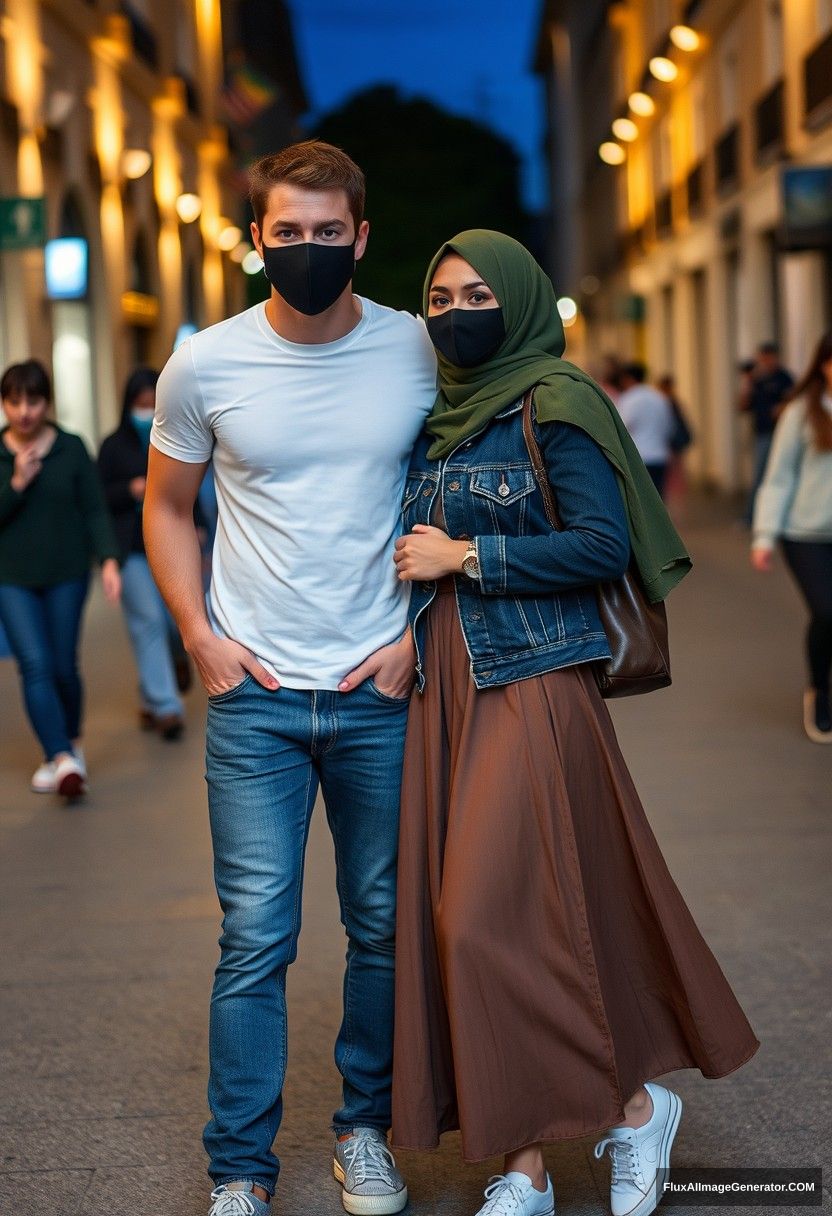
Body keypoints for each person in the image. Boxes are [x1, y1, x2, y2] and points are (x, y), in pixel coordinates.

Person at [390, 231, 761, 1216]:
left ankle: (634, 1106)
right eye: (439, 295)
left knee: (479, 921)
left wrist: (469, 556)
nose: (454, 311)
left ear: (516, 300)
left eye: (476, 293)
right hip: (442, 692)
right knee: (524, 915)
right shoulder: (436, 419)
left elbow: (601, 544)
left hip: (531, 684)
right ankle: (524, 1169)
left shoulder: (554, 400)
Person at [143, 140, 436, 1216]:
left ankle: (364, 1130)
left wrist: (419, 635)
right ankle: (240, 1172)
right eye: (286, 232)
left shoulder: (416, 350)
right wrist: (196, 634)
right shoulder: (204, 363)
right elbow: (166, 507)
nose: (306, 250)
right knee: (255, 933)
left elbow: (465, 486)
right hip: (254, 695)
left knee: (381, 922)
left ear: (360, 236)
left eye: (327, 233)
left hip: (378, 688)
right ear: (255, 237)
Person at [0, 359, 121, 798]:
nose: (24, 411)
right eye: (14, 402)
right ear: (4, 404)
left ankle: (70, 742)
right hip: (11, 578)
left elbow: (93, 509)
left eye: (33, 400)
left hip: (67, 573)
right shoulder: (0, 453)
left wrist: (108, 559)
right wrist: (16, 483)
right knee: (35, 664)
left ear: (47, 402)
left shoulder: (70, 448)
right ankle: (60, 756)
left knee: (64, 666)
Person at [98, 368, 190, 740]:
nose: (146, 407)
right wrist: (130, 490)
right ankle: (166, 706)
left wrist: (198, 528)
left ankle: (160, 685)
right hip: (130, 548)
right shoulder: (112, 446)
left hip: (169, 543)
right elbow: (98, 498)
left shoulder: (173, 434)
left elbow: (190, 485)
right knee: (148, 620)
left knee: (173, 620)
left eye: (151, 401)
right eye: (139, 402)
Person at [751, 332, 832, 743]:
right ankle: (819, 690)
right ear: (823, 365)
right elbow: (778, 479)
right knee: (827, 613)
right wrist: (764, 536)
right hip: (805, 534)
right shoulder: (802, 412)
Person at [739, 341, 794, 526]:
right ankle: (751, 517)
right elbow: (743, 406)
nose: (765, 362)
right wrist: (747, 382)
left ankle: (782, 516)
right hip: (761, 433)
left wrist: (783, 407)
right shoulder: (757, 380)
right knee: (759, 476)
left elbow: (793, 398)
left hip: (780, 434)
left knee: (780, 474)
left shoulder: (784, 378)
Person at [615, 362, 675, 497]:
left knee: (641, 502)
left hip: (638, 458)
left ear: (628, 378)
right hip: (660, 457)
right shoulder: (660, 397)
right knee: (658, 499)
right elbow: (669, 428)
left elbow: (622, 429)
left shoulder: (628, 399)